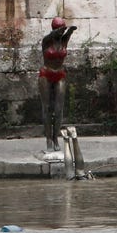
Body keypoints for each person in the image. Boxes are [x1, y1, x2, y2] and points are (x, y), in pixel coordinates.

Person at [39, 17, 77, 152]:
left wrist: (70, 30)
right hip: (46, 75)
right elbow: (49, 36)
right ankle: (48, 139)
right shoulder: (47, 41)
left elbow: (68, 34)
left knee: (59, 109)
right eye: (59, 30)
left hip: (60, 74)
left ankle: (56, 138)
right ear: (54, 29)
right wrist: (57, 32)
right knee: (47, 107)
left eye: (63, 30)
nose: (61, 33)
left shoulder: (64, 40)